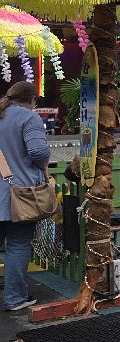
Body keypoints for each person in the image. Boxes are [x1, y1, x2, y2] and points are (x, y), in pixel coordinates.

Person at [1, 81, 50, 311]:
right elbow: (38, 151)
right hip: (19, 195)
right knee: (18, 245)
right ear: (32, 100)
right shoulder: (29, 118)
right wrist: (44, 166)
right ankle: (14, 298)